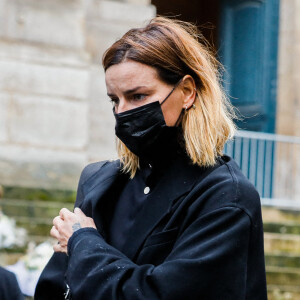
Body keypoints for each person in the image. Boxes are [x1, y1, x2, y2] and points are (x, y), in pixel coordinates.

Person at [35, 17, 267, 299]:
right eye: (114, 100)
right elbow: (55, 286)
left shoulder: (226, 196)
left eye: (138, 96)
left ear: (187, 92)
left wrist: (83, 242)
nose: (122, 112)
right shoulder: (99, 182)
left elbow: (160, 294)